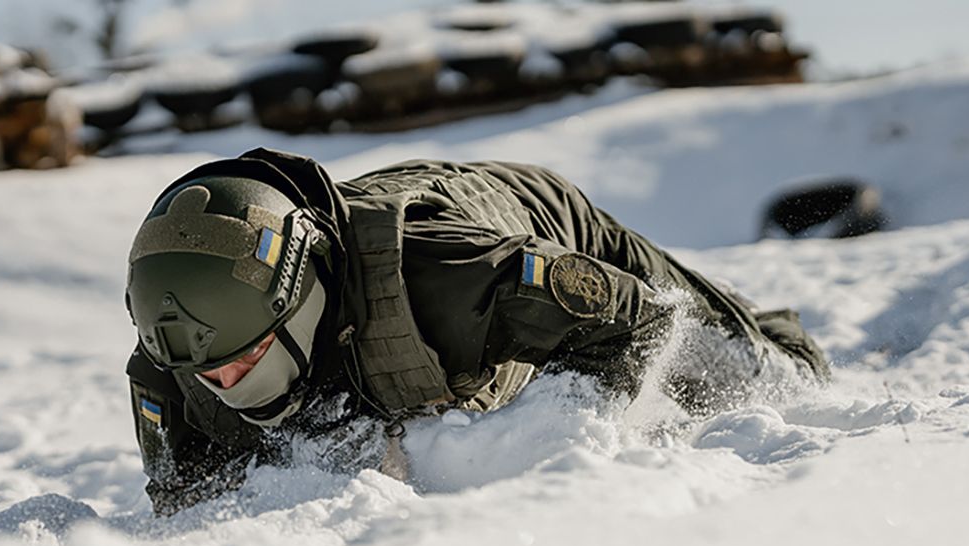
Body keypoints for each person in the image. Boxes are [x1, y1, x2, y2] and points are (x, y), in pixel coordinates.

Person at [125, 148, 829, 515]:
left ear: (297, 300)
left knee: (751, 370)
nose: (218, 382)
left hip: (541, 220)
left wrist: (561, 436)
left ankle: (780, 330)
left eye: (242, 360)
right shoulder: (180, 353)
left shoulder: (450, 280)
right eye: (205, 374)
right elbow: (186, 506)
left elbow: (639, 320)